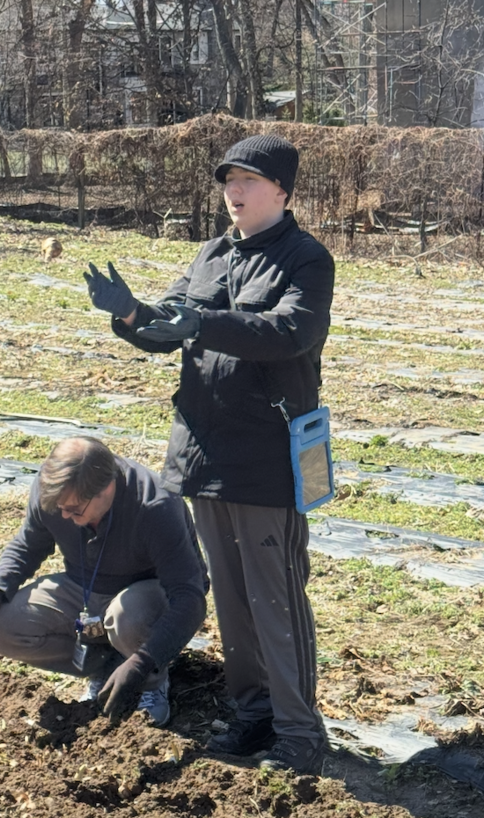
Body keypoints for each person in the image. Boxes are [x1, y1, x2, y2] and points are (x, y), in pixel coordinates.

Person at [83, 134, 335, 773]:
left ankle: (300, 735)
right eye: (228, 179)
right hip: (204, 454)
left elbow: (290, 331)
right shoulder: (211, 255)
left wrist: (201, 323)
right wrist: (133, 314)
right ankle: (251, 713)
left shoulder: (306, 260)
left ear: (281, 190)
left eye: (248, 179)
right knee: (231, 597)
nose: (234, 191)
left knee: (275, 599)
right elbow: (171, 325)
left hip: (266, 456)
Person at [0, 436, 209, 727]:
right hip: (86, 588)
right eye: (60, 509)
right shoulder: (53, 489)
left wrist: (142, 663)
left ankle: (151, 684)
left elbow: (189, 598)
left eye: (75, 509)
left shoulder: (155, 505)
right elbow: (29, 544)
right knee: (3, 630)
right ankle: (105, 667)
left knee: (127, 617)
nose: (65, 515)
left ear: (107, 488)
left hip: (150, 592)